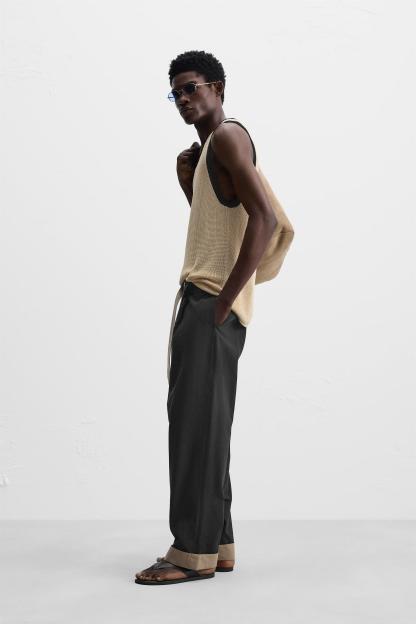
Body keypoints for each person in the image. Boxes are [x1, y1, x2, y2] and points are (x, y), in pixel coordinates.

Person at [135, 50, 278, 585]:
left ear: (217, 87)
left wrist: (222, 302)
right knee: (205, 426)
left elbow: (264, 219)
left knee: (195, 429)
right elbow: (222, 226)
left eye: (191, 87)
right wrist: (188, 183)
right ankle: (217, 545)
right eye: (175, 92)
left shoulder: (228, 137)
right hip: (202, 302)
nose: (183, 99)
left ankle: (188, 554)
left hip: (210, 304)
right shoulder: (207, 151)